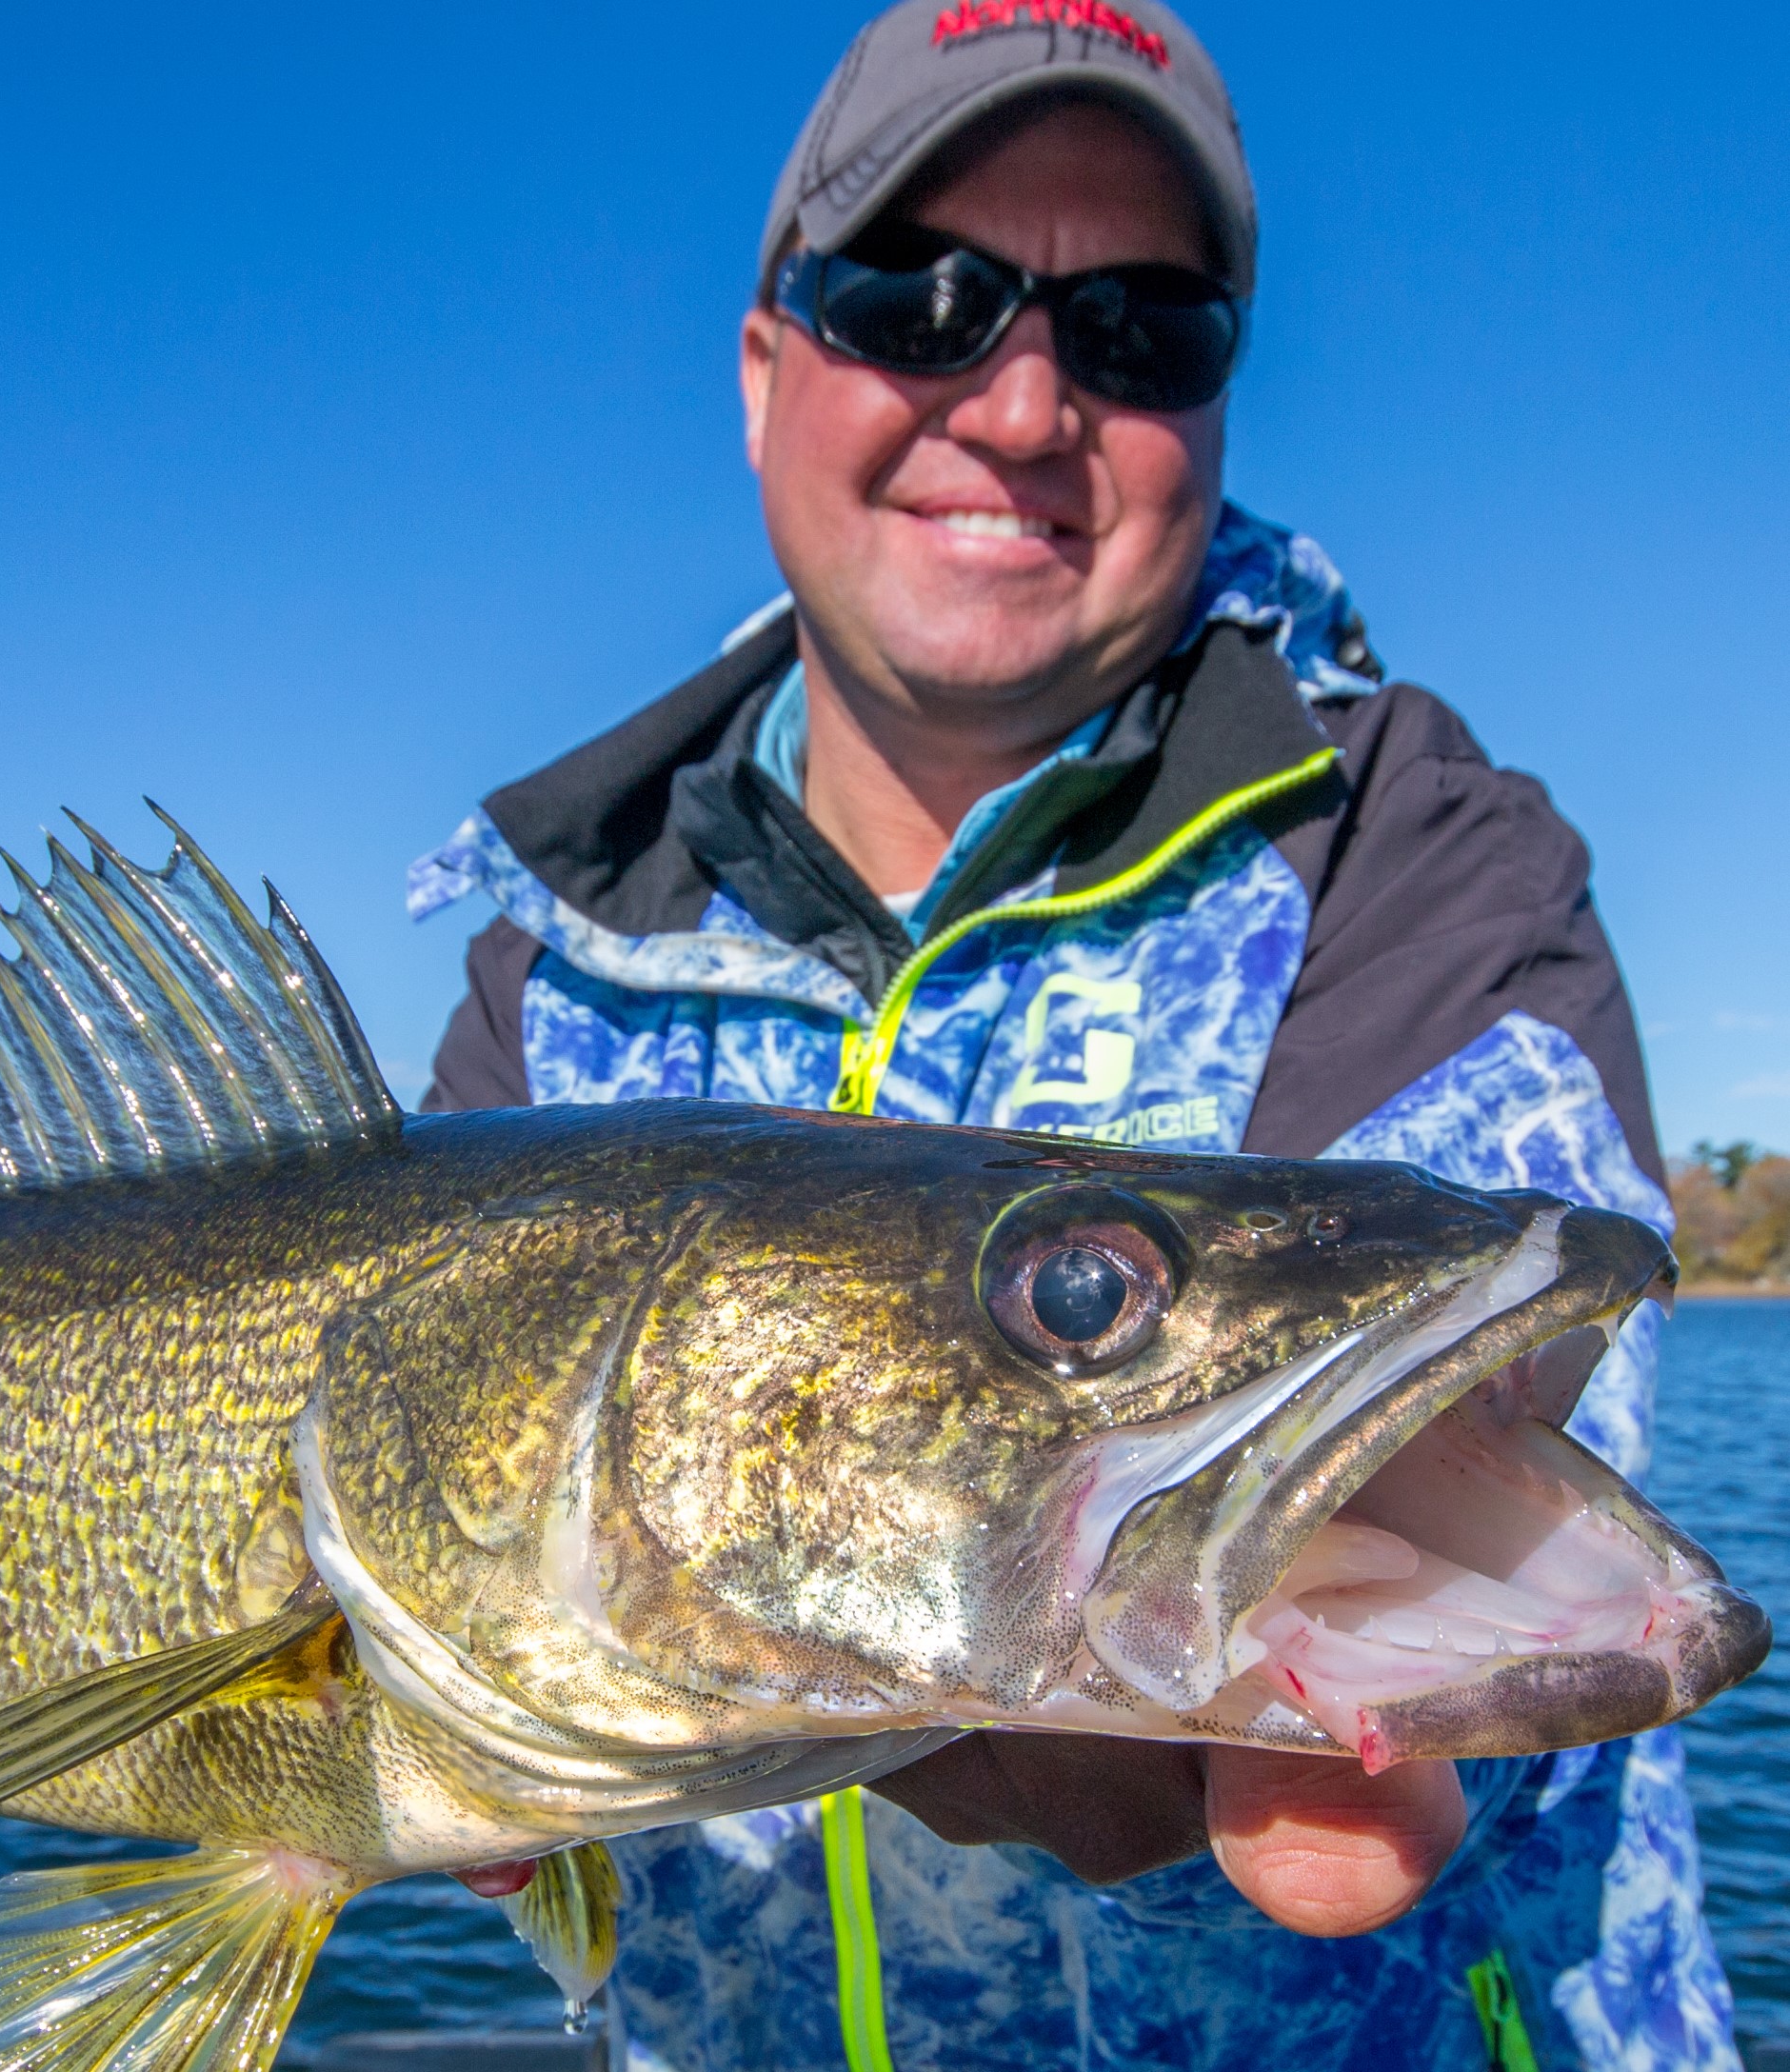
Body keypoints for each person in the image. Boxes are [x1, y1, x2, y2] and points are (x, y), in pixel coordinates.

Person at [407, 4, 1739, 2067]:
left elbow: (1527, 1461)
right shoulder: (534, 994)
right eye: (915, 298)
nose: (1024, 401)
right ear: (766, 374)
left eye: (1143, 326)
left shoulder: (1415, 852)